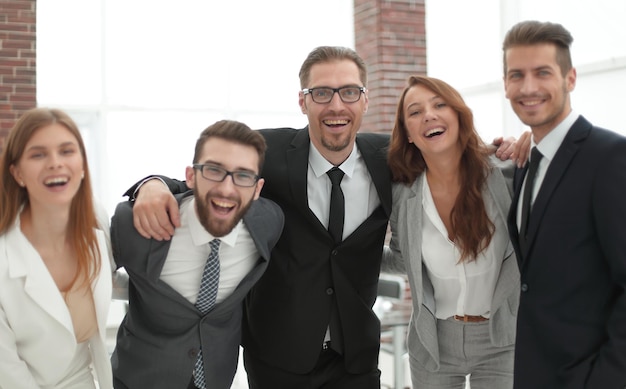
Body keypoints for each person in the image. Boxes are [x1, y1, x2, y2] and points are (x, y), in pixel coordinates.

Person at [129, 46, 522, 388]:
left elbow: (450, 152)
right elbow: (208, 174)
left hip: (356, 359)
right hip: (277, 358)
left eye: (349, 92)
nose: (336, 105)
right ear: (303, 102)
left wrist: (510, 147)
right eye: (322, 93)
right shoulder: (270, 150)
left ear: (364, 100)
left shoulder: (390, 157)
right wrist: (151, 185)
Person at [110, 120, 284, 389]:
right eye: (214, 170)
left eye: (243, 176)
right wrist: (151, 183)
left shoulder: (270, 223)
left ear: (257, 189)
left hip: (218, 379)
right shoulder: (134, 225)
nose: (227, 189)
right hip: (138, 379)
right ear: (190, 177)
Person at [502, 20, 626, 388]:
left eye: (542, 73)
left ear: (570, 78)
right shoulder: (527, 162)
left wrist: (605, 379)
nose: (527, 87)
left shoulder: (610, 157)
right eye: (515, 75)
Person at [382, 75, 519, 388]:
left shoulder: (505, 175)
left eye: (439, 104)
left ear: (459, 115)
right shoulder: (403, 194)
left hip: (503, 337)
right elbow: (405, 260)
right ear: (409, 135)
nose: (428, 114)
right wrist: (349, 255)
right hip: (433, 342)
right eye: (414, 112)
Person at [0, 108, 115, 389]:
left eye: (67, 151)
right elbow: (8, 374)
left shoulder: (96, 219)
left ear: (83, 165)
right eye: (38, 155)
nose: (55, 163)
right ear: (17, 173)